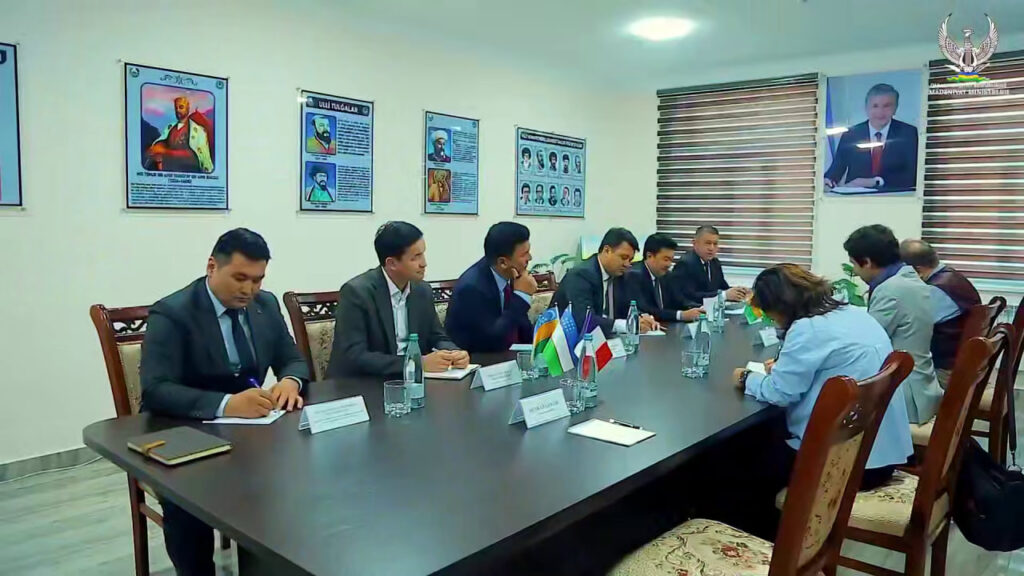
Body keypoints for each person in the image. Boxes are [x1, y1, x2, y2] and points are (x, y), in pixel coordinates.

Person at [140, 228, 309, 576]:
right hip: (184, 430)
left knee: (304, 475)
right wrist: (226, 404)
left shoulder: (265, 305)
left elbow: (293, 359)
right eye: (240, 278)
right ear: (212, 267)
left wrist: (290, 382)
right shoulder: (173, 313)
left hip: (253, 432)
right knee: (187, 503)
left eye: (258, 280)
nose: (249, 290)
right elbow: (156, 390)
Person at [733, 264, 912, 490]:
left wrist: (746, 378)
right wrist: (783, 369)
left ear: (779, 306)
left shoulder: (808, 328)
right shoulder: (853, 313)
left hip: (841, 466)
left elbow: (780, 393)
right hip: (878, 455)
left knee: (737, 458)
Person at [327, 222, 469, 377]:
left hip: (412, 379)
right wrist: (416, 363)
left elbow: (436, 336)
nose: (424, 263)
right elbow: (355, 355)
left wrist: (453, 353)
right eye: (415, 257)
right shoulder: (356, 293)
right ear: (392, 263)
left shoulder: (422, 290)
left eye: (423, 254)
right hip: (363, 382)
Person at [845, 225, 942, 424]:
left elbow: (865, 344)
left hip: (904, 395)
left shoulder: (891, 290)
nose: (855, 271)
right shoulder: (909, 279)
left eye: (854, 264)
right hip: (921, 385)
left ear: (867, 262)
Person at [900, 239, 981, 388]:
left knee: (890, 381)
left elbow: (911, 326)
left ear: (918, 270)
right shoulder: (952, 277)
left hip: (944, 371)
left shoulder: (935, 290)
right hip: (960, 363)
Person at [446, 222, 536, 353]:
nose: (530, 258)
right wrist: (521, 296)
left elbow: (521, 328)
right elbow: (493, 340)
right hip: (477, 359)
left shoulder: (510, 274)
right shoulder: (472, 288)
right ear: (503, 262)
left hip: (505, 357)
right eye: (524, 254)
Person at [552, 227, 658, 337]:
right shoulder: (581, 275)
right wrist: (625, 325)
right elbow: (584, 320)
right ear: (607, 250)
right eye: (623, 257)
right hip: (567, 341)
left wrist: (641, 317)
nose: (627, 264)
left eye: (630, 260)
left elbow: (627, 307)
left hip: (608, 340)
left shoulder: (620, 276)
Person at [824, 84, 919, 191]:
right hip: (856, 198)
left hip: (895, 196)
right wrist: (828, 180)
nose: (880, 112)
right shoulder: (851, 134)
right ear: (866, 108)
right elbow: (837, 168)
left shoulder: (908, 133)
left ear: (895, 108)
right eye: (875, 106)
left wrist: (877, 181)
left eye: (887, 106)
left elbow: (913, 174)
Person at [627, 234, 703, 323]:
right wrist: (681, 315)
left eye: (671, 260)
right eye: (666, 259)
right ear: (649, 256)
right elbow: (647, 310)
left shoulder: (667, 275)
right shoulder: (634, 276)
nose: (669, 264)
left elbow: (680, 301)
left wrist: (699, 308)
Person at [667, 225, 748, 305]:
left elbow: (723, 288)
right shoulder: (685, 264)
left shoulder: (715, 263)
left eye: (715, 244)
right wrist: (723, 295)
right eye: (708, 243)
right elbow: (690, 296)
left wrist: (739, 292)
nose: (711, 248)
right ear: (694, 243)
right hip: (693, 310)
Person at [145, 95, 213, 173]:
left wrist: (165, 152)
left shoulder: (199, 131)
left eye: (181, 107)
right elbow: (162, 142)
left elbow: (194, 157)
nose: (178, 110)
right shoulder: (170, 127)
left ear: (187, 108)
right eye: (176, 108)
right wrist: (158, 149)